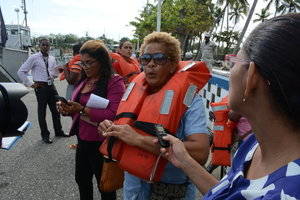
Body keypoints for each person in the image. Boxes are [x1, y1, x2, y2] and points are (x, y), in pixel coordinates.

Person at [159, 13, 300, 199]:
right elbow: (229, 193)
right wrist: (184, 160)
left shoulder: (286, 193)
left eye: (233, 63)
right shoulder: (254, 145)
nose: (230, 70)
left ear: (251, 77)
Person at [99, 32, 211, 199]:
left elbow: (201, 152)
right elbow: (125, 127)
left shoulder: (190, 101)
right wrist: (111, 128)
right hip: (134, 187)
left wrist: (138, 139)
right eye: (145, 59)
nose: (151, 64)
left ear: (173, 64)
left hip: (169, 190)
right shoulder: (134, 93)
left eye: (159, 59)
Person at [57, 40, 125, 200]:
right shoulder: (83, 80)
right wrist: (67, 109)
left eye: (89, 63)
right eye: (83, 63)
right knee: (82, 180)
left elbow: (113, 114)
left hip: (102, 143)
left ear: (102, 61)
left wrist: (81, 109)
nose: (85, 66)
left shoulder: (114, 82)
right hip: (82, 140)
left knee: (106, 186)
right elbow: (76, 107)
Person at [17, 38, 66, 144]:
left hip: (51, 86)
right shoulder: (34, 57)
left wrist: (57, 72)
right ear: (39, 46)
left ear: (49, 46)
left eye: (47, 45)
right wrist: (30, 84)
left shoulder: (52, 58)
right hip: (41, 87)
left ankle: (59, 131)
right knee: (42, 112)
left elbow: (53, 72)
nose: (45, 47)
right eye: (43, 45)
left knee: (56, 109)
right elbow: (21, 72)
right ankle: (45, 135)